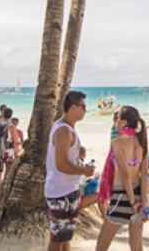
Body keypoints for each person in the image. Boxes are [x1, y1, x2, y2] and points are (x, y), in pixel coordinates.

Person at [95, 106, 149, 251]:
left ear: (124, 122)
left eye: (118, 119)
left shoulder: (118, 142)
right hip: (138, 194)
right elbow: (144, 175)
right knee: (136, 246)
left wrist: (132, 203)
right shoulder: (142, 143)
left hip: (122, 196)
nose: (116, 122)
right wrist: (143, 202)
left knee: (102, 244)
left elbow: (125, 175)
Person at [45, 90, 96, 251]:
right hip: (61, 192)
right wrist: (84, 170)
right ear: (73, 107)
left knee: (65, 237)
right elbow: (61, 165)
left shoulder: (66, 127)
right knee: (57, 239)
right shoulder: (64, 130)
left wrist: (78, 156)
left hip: (65, 190)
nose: (85, 110)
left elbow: (63, 159)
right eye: (83, 106)